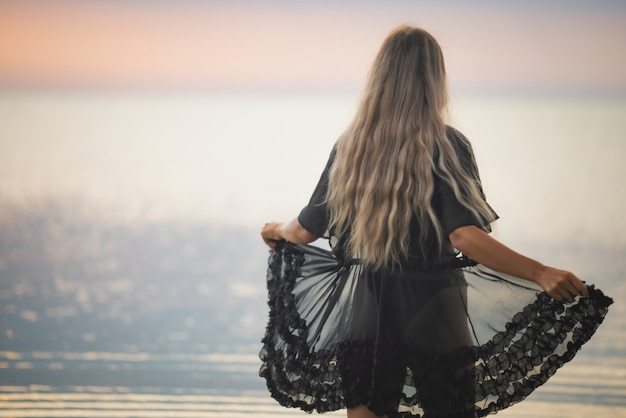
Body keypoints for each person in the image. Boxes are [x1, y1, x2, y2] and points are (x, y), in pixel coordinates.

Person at [259, 25, 611, 418]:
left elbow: (304, 231)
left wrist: (274, 230)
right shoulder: (447, 144)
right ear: (434, 79)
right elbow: (462, 234)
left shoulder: (351, 146)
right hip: (434, 300)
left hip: (368, 301)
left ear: (380, 77)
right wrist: (540, 272)